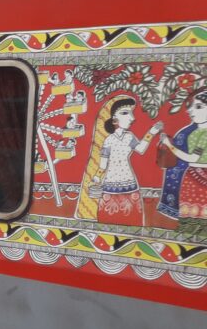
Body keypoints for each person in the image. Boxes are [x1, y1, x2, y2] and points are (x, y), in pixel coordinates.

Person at [76, 96, 162, 226]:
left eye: (131, 113)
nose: (132, 118)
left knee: (132, 219)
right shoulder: (108, 140)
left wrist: (152, 132)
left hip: (129, 183)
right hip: (110, 183)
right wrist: (96, 179)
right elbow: (103, 165)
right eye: (125, 113)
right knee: (107, 219)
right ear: (113, 118)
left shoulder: (129, 137)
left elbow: (141, 149)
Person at [160, 88, 207, 239]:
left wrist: (169, 145)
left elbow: (192, 158)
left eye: (199, 107)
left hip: (201, 177)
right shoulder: (193, 132)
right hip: (191, 176)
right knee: (189, 215)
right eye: (192, 106)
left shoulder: (204, 133)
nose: (191, 111)